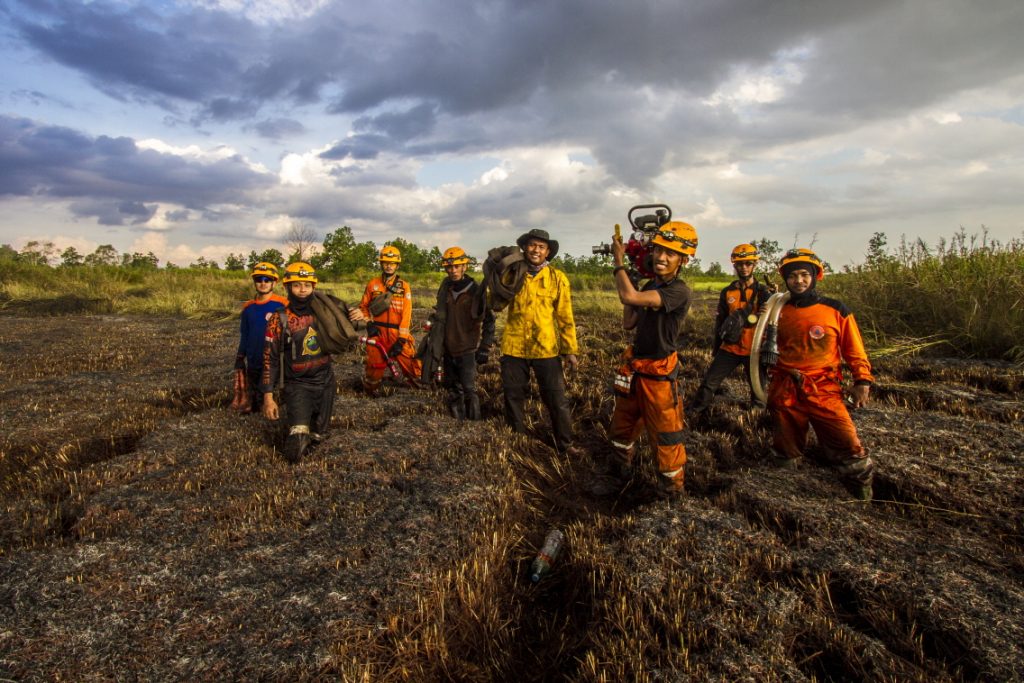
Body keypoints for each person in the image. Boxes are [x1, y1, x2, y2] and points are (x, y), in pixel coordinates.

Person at [768, 248, 875, 501]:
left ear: (816, 276)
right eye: (793, 276)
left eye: (805, 275)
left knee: (846, 441)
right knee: (785, 444)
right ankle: (786, 493)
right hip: (785, 386)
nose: (798, 281)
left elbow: (854, 348)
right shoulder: (776, 311)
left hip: (823, 388)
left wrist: (862, 380)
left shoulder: (835, 309)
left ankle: (861, 494)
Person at [606, 221, 697, 497]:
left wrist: (619, 263)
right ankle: (618, 473)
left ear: (682, 260)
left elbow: (628, 294)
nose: (661, 258)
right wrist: (631, 286)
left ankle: (671, 490)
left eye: (670, 253)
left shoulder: (678, 290)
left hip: (659, 371)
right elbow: (629, 322)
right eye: (658, 250)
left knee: (666, 435)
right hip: (636, 366)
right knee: (622, 425)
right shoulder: (649, 285)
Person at [497, 229, 579, 453]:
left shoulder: (557, 278)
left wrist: (570, 350)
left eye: (541, 247)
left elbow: (565, 317)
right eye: (532, 245)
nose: (536, 250)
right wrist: (497, 275)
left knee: (556, 399)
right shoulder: (514, 274)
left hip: (546, 348)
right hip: (514, 347)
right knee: (513, 396)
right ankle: (517, 441)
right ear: (524, 248)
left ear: (548, 251)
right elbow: (496, 303)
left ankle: (565, 444)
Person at [261, 262, 336, 463]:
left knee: (320, 437)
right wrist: (268, 397)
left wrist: (357, 314)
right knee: (298, 445)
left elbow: (350, 323)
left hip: (326, 383)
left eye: (307, 285)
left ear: (314, 287)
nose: (302, 289)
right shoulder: (279, 318)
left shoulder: (325, 311)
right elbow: (270, 358)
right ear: (287, 287)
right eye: (296, 285)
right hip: (298, 386)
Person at [691, 244, 772, 415]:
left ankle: (756, 418)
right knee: (709, 382)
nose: (744, 267)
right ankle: (695, 412)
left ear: (754, 265)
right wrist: (716, 348)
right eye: (740, 264)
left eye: (748, 263)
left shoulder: (763, 291)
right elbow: (720, 321)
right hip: (730, 347)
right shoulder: (728, 291)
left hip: (754, 350)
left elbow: (773, 320)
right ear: (734, 265)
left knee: (758, 389)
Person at [429, 246, 496, 420]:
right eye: (449, 267)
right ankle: (457, 424)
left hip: (468, 349)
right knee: (451, 388)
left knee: (469, 389)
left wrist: (485, 347)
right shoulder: (445, 289)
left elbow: (490, 320)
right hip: (449, 348)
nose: (453, 271)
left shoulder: (475, 291)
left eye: (457, 267)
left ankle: (472, 425)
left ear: (464, 267)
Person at [348, 245, 422, 394]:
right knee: (373, 369)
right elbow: (363, 306)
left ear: (397, 265)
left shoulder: (404, 287)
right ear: (381, 264)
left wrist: (401, 340)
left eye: (392, 263)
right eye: (386, 263)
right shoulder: (373, 284)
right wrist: (369, 323)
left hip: (397, 334)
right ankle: (370, 391)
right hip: (377, 332)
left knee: (414, 370)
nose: (389, 266)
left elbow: (407, 314)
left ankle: (422, 388)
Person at [233, 262, 288, 414]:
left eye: (267, 279)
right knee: (255, 403)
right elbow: (245, 334)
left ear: (274, 282)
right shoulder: (248, 308)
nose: (263, 283)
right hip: (253, 362)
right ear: (254, 282)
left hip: (273, 364)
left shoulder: (283, 305)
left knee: (271, 401)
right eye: (259, 279)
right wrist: (240, 357)